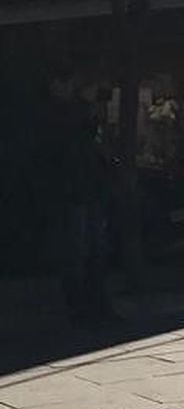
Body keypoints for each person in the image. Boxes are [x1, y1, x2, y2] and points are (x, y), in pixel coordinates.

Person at [46, 74, 114, 326]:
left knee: (93, 250)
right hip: (75, 192)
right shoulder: (63, 116)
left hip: (85, 190)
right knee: (81, 251)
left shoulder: (75, 113)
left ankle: (93, 306)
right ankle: (85, 308)